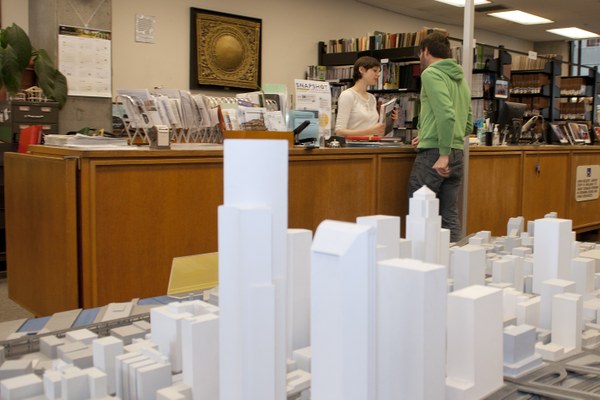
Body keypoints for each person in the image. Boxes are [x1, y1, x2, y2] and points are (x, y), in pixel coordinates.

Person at [407, 31, 473, 243]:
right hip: (456, 152)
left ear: (425, 51)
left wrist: (442, 151)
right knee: (449, 213)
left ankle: (422, 266)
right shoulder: (460, 79)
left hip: (436, 154)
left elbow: (446, 114)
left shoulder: (431, 74)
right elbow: (468, 122)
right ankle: (456, 265)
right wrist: (428, 135)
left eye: (420, 54)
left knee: (420, 210)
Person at [334, 56, 386, 137]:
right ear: (361, 70)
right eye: (375, 70)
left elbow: (377, 132)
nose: (378, 75)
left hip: (372, 146)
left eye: (379, 71)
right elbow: (339, 132)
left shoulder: (372, 98)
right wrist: (368, 131)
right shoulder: (347, 95)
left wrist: (390, 120)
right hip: (354, 147)